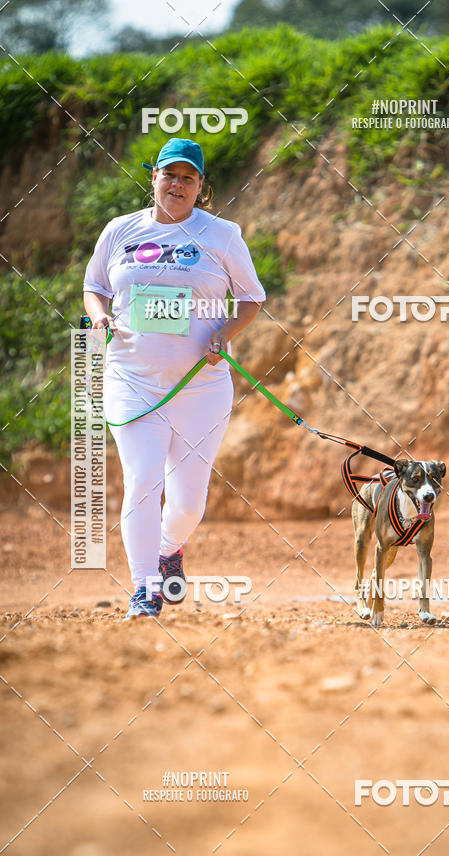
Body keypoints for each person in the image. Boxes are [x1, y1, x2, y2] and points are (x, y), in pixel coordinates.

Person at [83, 138, 265, 619]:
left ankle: (169, 549)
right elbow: (94, 287)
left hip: (200, 387)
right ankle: (145, 588)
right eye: (170, 174)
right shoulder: (120, 230)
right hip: (131, 380)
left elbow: (250, 299)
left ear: (201, 186)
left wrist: (225, 333)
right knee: (141, 481)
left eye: (188, 177)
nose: (177, 184)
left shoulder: (222, 234)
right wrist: (99, 318)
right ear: (153, 178)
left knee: (187, 503)